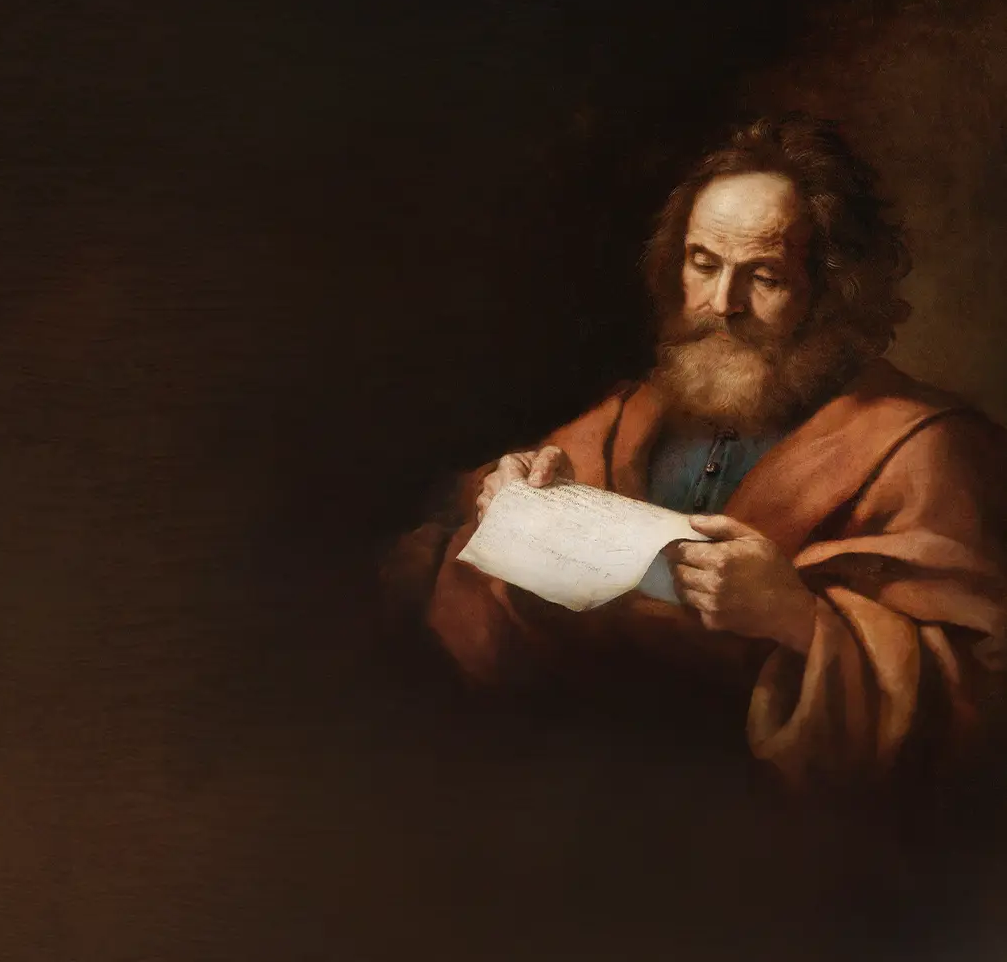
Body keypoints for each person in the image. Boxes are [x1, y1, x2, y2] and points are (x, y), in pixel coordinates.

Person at [383, 113, 1007, 796]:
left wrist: (799, 619)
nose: (722, 302)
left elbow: (976, 705)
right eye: (703, 264)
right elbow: (450, 537)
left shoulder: (927, 447)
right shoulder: (637, 411)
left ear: (831, 292)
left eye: (764, 276)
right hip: (569, 783)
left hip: (762, 820)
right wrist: (507, 499)